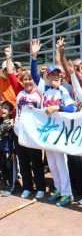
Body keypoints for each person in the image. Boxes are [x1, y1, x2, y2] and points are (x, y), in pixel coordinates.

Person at [30, 39, 77, 207]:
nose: (55, 76)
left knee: (61, 164)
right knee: (52, 163)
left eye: (57, 74)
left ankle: (67, 194)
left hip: (60, 132)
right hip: (48, 132)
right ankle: (58, 189)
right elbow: (34, 76)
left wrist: (57, 107)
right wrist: (34, 56)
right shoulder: (45, 88)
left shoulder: (63, 90)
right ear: (48, 77)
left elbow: (72, 109)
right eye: (52, 74)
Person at [6, 56, 45, 199]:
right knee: (23, 161)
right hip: (19, 132)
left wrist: (34, 57)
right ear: (22, 81)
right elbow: (10, 74)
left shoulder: (40, 92)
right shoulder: (19, 92)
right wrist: (8, 56)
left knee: (36, 161)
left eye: (30, 79)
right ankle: (27, 187)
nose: (28, 81)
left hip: (34, 133)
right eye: (25, 79)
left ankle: (40, 187)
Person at [0, 101, 15, 196]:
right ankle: (5, 185)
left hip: (8, 150)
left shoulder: (12, 123)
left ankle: (11, 187)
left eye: (5, 108)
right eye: (2, 108)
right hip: (1, 149)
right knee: (3, 168)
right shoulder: (1, 121)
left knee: (10, 169)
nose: (3, 110)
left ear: (10, 112)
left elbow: (14, 139)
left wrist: (13, 151)